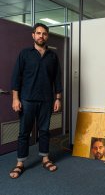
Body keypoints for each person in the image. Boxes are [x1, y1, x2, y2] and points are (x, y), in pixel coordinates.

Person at [9, 23, 62, 179]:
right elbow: (16, 78)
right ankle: (20, 163)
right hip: (27, 100)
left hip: (46, 100)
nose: (41, 36)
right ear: (33, 35)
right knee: (24, 132)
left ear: (47, 36)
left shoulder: (52, 56)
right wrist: (15, 98)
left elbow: (57, 79)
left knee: (44, 131)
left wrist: (58, 98)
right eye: (38, 33)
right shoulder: (25, 54)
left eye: (44, 33)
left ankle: (45, 159)